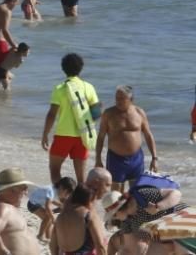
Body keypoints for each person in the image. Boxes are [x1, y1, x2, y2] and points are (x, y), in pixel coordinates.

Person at [42, 53, 101, 184]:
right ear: (81, 68)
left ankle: (62, 199)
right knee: (81, 177)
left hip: (63, 135)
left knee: (55, 169)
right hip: (83, 136)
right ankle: (82, 202)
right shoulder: (89, 87)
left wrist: (45, 134)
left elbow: (52, 114)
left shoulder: (60, 88)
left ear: (63, 69)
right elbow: (97, 112)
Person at [96, 85, 158, 190]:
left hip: (136, 158)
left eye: (121, 99)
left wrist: (154, 158)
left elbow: (148, 135)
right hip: (116, 159)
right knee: (116, 195)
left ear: (131, 99)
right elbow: (101, 137)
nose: (117, 101)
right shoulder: (109, 114)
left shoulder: (139, 113)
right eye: (116, 98)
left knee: (137, 193)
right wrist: (98, 159)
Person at [0, 169, 37, 255]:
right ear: (13, 189)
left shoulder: (6, 208)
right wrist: (4, 252)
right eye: (24, 188)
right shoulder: (3, 208)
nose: (26, 192)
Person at [28, 176, 75, 241]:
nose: (66, 196)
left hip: (38, 203)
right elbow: (47, 206)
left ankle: (49, 238)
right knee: (48, 218)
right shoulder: (51, 190)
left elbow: (51, 200)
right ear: (61, 187)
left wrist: (60, 205)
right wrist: (52, 217)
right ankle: (40, 235)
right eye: (66, 193)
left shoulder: (54, 190)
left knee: (49, 220)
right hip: (32, 204)